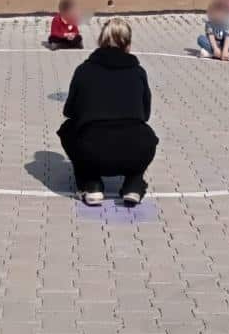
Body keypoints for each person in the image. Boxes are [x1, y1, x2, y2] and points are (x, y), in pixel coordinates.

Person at [58, 18, 158, 206]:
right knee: (146, 135)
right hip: (135, 150)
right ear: (128, 44)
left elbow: (69, 111)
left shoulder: (84, 70)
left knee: (68, 129)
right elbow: (145, 114)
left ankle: (91, 183)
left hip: (92, 150)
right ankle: (133, 184)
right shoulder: (138, 72)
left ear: (100, 41)